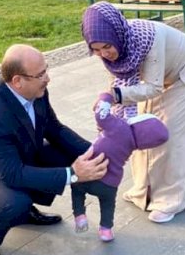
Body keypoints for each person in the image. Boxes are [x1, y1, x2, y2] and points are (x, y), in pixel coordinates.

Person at [0, 44, 108, 255]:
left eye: (46, 70)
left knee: (61, 153)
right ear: (17, 80)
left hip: (13, 159)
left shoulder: (35, 90)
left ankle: (25, 211)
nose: (47, 78)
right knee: (14, 203)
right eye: (40, 74)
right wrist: (74, 174)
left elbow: (55, 129)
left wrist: (97, 152)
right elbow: (12, 174)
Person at [80, 2, 185, 224]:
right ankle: (143, 191)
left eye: (106, 46)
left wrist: (114, 96)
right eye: (95, 49)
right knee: (139, 131)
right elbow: (116, 83)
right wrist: (109, 111)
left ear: (116, 35)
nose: (104, 54)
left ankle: (170, 200)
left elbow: (150, 89)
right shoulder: (115, 44)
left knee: (170, 135)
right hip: (158, 77)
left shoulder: (148, 38)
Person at [72, 92, 168, 242]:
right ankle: (106, 231)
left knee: (76, 187)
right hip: (111, 182)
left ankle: (80, 216)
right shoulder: (133, 144)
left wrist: (106, 97)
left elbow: (101, 115)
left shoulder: (120, 127)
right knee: (108, 205)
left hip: (89, 173)